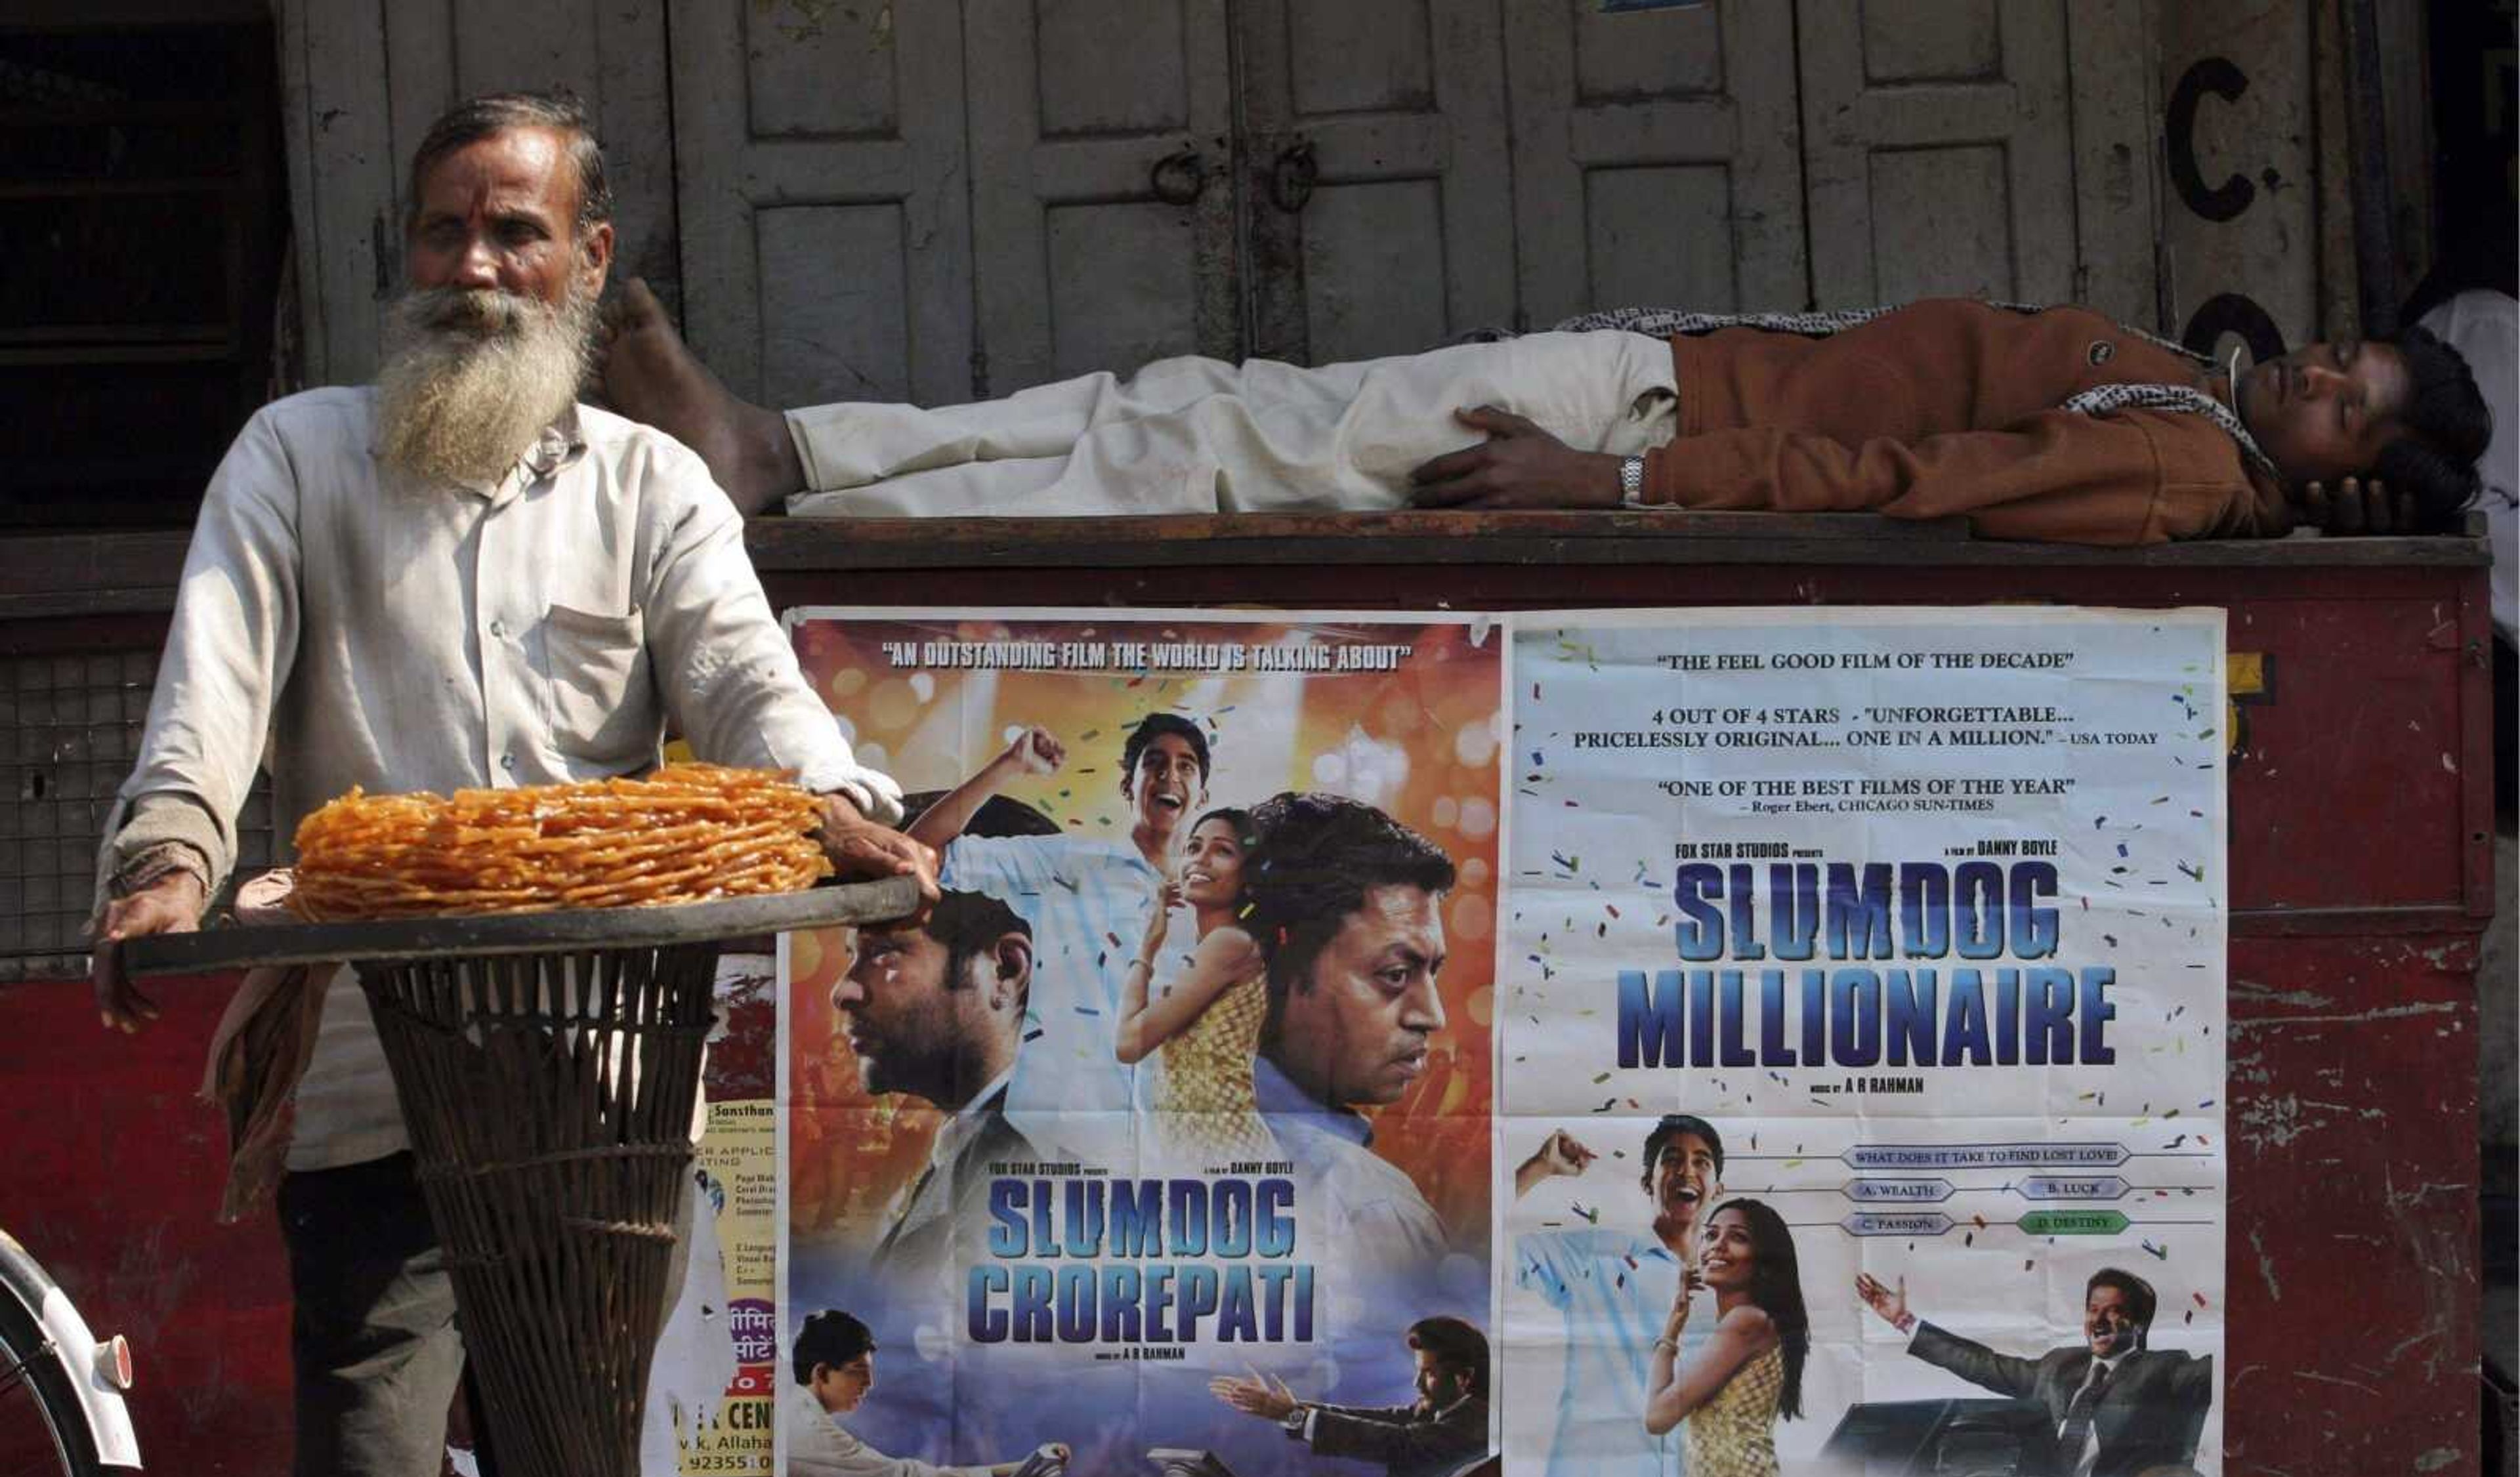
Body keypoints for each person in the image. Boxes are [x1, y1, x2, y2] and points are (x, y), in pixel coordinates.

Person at [84, 91, 937, 1477]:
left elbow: (751, 688)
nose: (472, 265)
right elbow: (210, 683)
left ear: (587, 260)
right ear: (403, 249)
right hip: (375, 1073)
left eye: (515, 232)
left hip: (595, 1092)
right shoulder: (300, 456)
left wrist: (830, 800)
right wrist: (166, 850)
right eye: (442, 228)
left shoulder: (650, 487)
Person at [599, 282, 2488, 545]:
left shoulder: (2176, 464)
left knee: (1226, 454)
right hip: (1662, 369)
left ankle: (801, 484)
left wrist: (1625, 480)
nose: (2319, 382)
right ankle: (794, 454)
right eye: (2342, 360)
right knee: (1211, 409)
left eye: (2351, 414)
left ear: (2349, 476)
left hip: (1651, 417)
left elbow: (1906, 482)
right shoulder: (2188, 392)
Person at [906, 716, 1211, 1138]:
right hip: (1056, 1149)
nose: (1169, 775)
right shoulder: (1067, 863)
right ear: (1129, 786)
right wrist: (1010, 765)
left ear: (1204, 795)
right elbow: (923, 850)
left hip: (1173, 1151)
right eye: (1154, 762)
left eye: (1187, 766)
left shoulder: (1222, 902)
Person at [1238, 791, 1457, 1283]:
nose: (1432, 1015)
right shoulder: (1372, 1206)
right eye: (1396, 974)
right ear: (1273, 964)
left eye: (1434, 973)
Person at [1510, 1115, 1723, 1477]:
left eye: (1702, 1163)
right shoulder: (1594, 1258)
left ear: (1718, 1188)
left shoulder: (1741, 1277)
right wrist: (1538, 1168)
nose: (1687, 1172)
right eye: (1673, 1160)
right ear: (1649, 1181)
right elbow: (1486, 1244)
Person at [1855, 1266, 2214, 1477]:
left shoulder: (2165, 1369)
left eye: (2113, 1311)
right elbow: (1982, 1364)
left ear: (2138, 1324)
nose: (2098, 1322)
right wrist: (1904, 1320)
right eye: (2092, 1310)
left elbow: (2224, 1370)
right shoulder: (2059, 1366)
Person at [831, 891, 1049, 1278]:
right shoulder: (974, 1143)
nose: (843, 992)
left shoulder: (1019, 1160)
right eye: (853, 956)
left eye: (884, 952)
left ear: (1005, 971)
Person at [786, 1310, 1067, 1477]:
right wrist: (1017, 1471)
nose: (870, 1382)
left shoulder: (802, 1414)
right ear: (821, 1373)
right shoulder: (807, 1426)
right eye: (859, 1370)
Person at [1115, 805, 1277, 1167]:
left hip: (1230, 1157)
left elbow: (1129, 1043)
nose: (1200, 860)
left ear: (1248, 875)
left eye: (1222, 851)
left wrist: (1147, 947)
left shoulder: (1229, 945)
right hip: (1195, 1163)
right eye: (1193, 847)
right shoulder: (1211, 950)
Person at [1208, 1315, 1489, 1477]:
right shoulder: (1437, 1411)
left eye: (1429, 1374)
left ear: (1464, 1377)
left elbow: (1392, 1441)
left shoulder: (1474, 1422)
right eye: (1418, 1371)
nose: (1416, 1383)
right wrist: (1283, 1410)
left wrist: (1293, 1414)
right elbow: (1373, 1421)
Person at [1643, 1197, 1807, 1477]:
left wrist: (1669, 1335)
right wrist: (1676, 1319)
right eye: (1711, 1234)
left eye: (1738, 1237)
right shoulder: (1746, 1324)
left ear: (1764, 1260)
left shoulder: (1746, 1323)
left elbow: (1658, 1417)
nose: (1718, 1245)